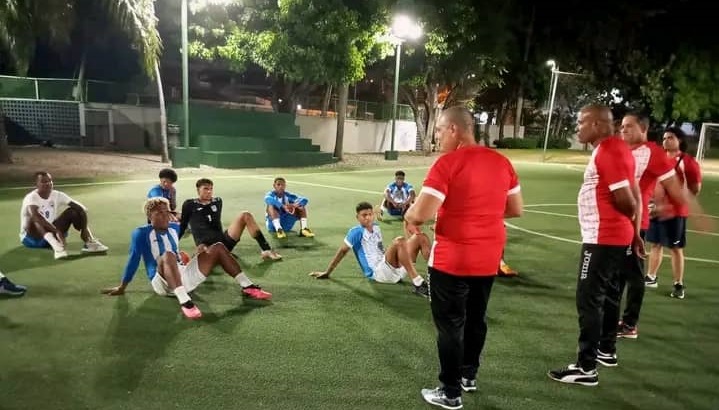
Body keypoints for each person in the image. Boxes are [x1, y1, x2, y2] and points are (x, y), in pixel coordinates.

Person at [405, 106, 523, 409]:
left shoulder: (448, 163)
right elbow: (515, 209)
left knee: (450, 325)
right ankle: (469, 376)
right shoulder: (502, 162)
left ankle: (450, 391)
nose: (438, 139)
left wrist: (411, 214)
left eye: (440, 132)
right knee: (476, 318)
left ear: (454, 129)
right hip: (488, 256)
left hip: (453, 258)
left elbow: (422, 212)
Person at [548, 104, 642, 386]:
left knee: (588, 299)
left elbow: (626, 198)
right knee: (609, 295)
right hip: (615, 236)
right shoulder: (617, 147)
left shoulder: (609, 150)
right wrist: (634, 232)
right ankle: (606, 350)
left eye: (581, 122)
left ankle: (586, 367)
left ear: (599, 125)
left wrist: (624, 226)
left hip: (603, 238)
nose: (577, 127)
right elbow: (634, 194)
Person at [102, 197, 272, 320]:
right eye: (158, 213)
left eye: (165, 212)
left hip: (182, 276)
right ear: (149, 216)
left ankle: (247, 287)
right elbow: (133, 259)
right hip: (161, 283)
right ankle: (185, 302)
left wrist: (200, 249)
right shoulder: (141, 233)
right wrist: (123, 286)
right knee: (167, 255)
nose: (164, 216)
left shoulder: (175, 227)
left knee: (219, 247)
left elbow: (192, 224)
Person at [617, 113, 686, 338]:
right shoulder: (625, 150)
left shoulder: (653, 152)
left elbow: (672, 185)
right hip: (616, 222)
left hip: (635, 223)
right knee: (617, 274)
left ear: (644, 129)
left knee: (633, 274)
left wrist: (664, 206)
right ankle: (615, 320)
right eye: (622, 126)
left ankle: (629, 324)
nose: (623, 130)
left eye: (629, 126)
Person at [309, 201, 430, 297]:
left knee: (420, 237)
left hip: (393, 269)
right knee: (399, 241)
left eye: (370, 214)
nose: (367, 218)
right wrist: (327, 272)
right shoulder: (356, 232)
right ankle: (419, 283)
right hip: (379, 273)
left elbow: (380, 249)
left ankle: (435, 278)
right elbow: (342, 252)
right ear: (358, 217)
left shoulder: (376, 227)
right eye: (364, 215)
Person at [644, 127, 703, 299]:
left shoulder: (687, 161)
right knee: (655, 244)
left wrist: (681, 201)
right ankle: (651, 277)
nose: (666, 141)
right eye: (664, 138)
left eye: (670, 137)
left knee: (675, 248)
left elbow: (696, 187)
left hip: (676, 212)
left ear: (680, 141)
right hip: (657, 210)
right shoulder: (659, 159)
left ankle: (678, 283)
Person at [179, 178, 282, 261]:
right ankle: (218, 256)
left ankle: (266, 249)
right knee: (203, 254)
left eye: (211, 188)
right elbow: (183, 226)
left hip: (223, 241)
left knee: (245, 215)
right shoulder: (189, 204)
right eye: (205, 189)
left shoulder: (217, 201)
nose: (209, 191)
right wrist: (173, 246)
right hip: (205, 245)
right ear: (198, 190)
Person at [20, 171, 109, 259]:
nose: (48, 184)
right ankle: (56, 246)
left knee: (74, 211)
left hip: (52, 232)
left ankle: (89, 243)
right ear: (36, 184)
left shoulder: (57, 195)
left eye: (50, 181)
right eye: (44, 182)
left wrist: (84, 230)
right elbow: (36, 217)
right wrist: (56, 231)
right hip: (32, 239)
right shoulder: (31, 197)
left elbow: (81, 209)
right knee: (35, 217)